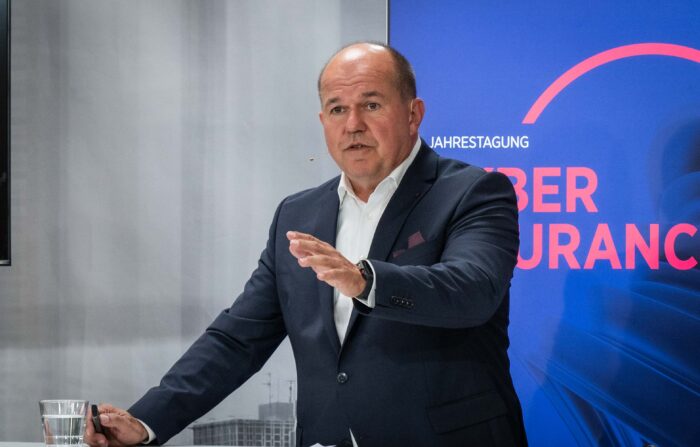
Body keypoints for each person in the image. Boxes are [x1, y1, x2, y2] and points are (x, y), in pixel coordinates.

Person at [85, 42, 527, 447]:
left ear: (413, 114)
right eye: (337, 109)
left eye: (371, 105)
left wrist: (366, 282)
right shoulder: (298, 215)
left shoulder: (472, 192)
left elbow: (472, 290)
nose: (353, 124)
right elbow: (238, 339)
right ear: (323, 122)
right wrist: (145, 422)